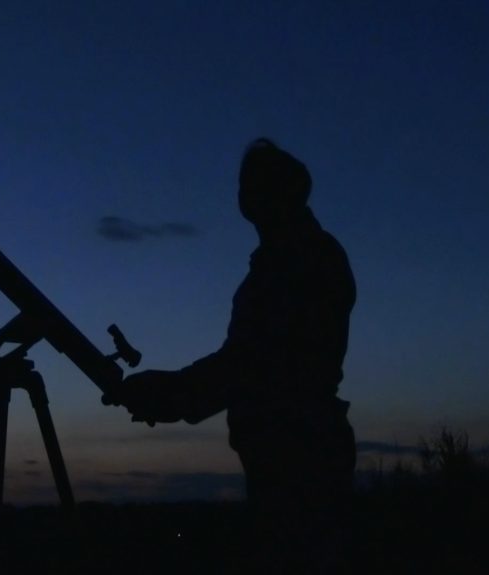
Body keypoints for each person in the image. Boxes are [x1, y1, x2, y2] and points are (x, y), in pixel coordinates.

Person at [108, 138, 357, 574]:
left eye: (253, 186)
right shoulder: (293, 258)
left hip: (297, 455)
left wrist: (165, 396)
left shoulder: (300, 261)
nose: (243, 195)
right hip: (292, 451)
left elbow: (250, 365)